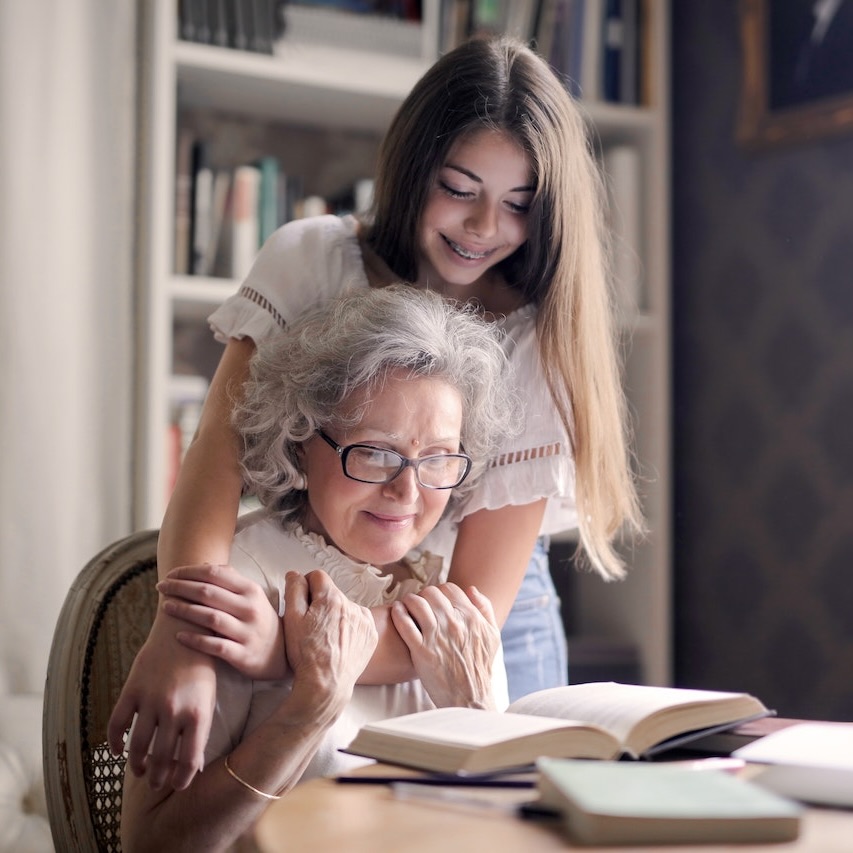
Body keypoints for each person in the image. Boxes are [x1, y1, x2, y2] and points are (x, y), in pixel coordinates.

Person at [109, 34, 643, 792]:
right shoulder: (312, 260)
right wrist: (185, 635)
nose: (483, 227)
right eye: (458, 188)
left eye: (518, 205)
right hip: (314, 583)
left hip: (474, 622)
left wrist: (280, 649)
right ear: (412, 167)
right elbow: (213, 469)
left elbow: (473, 608)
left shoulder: (535, 339)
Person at [121, 286, 515, 851]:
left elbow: (500, 834)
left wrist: (474, 713)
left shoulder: (455, 605)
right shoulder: (237, 582)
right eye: (375, 452)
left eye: (437, 459)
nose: (407, 491)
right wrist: (307, 712)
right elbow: (150, 843)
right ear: (301, 441)